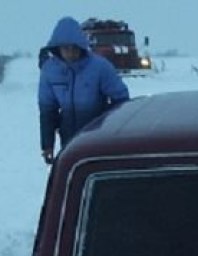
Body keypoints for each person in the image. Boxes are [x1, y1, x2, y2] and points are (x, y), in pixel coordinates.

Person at [38, 16, 130, 164]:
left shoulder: (99, 67)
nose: (70, 52)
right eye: (65, 48)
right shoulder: (50, 71)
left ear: (81, 46)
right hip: (68, 138)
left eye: (74, 47)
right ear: (57, 48)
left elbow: (121, 99)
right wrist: (47, 145)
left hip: (98, 136)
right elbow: (48, 110)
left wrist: (107, 122)